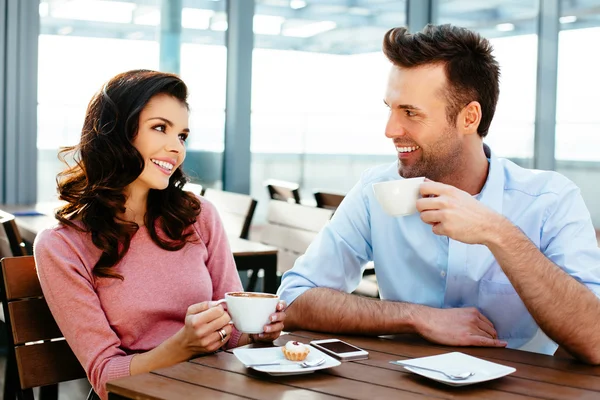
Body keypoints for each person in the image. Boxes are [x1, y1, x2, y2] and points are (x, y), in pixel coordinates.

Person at [277, 24, 600, 363]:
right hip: (402, 388)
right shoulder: (376, 191)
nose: (390, 130)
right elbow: (295, 300)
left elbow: (595, 340)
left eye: (410, 113)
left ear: (469, 118)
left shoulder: (550, 200)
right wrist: (416, 317)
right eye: (390, 108)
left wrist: (498, 234)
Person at [33, 70, 286, 400]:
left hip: (214, 388)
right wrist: (182, 345)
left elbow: (234, 331)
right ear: (116, 132)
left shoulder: (199, 216)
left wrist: (258, 332)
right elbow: (105, 376)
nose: (175, 148)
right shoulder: (62, 245)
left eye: (182, 136)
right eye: (159, 128)